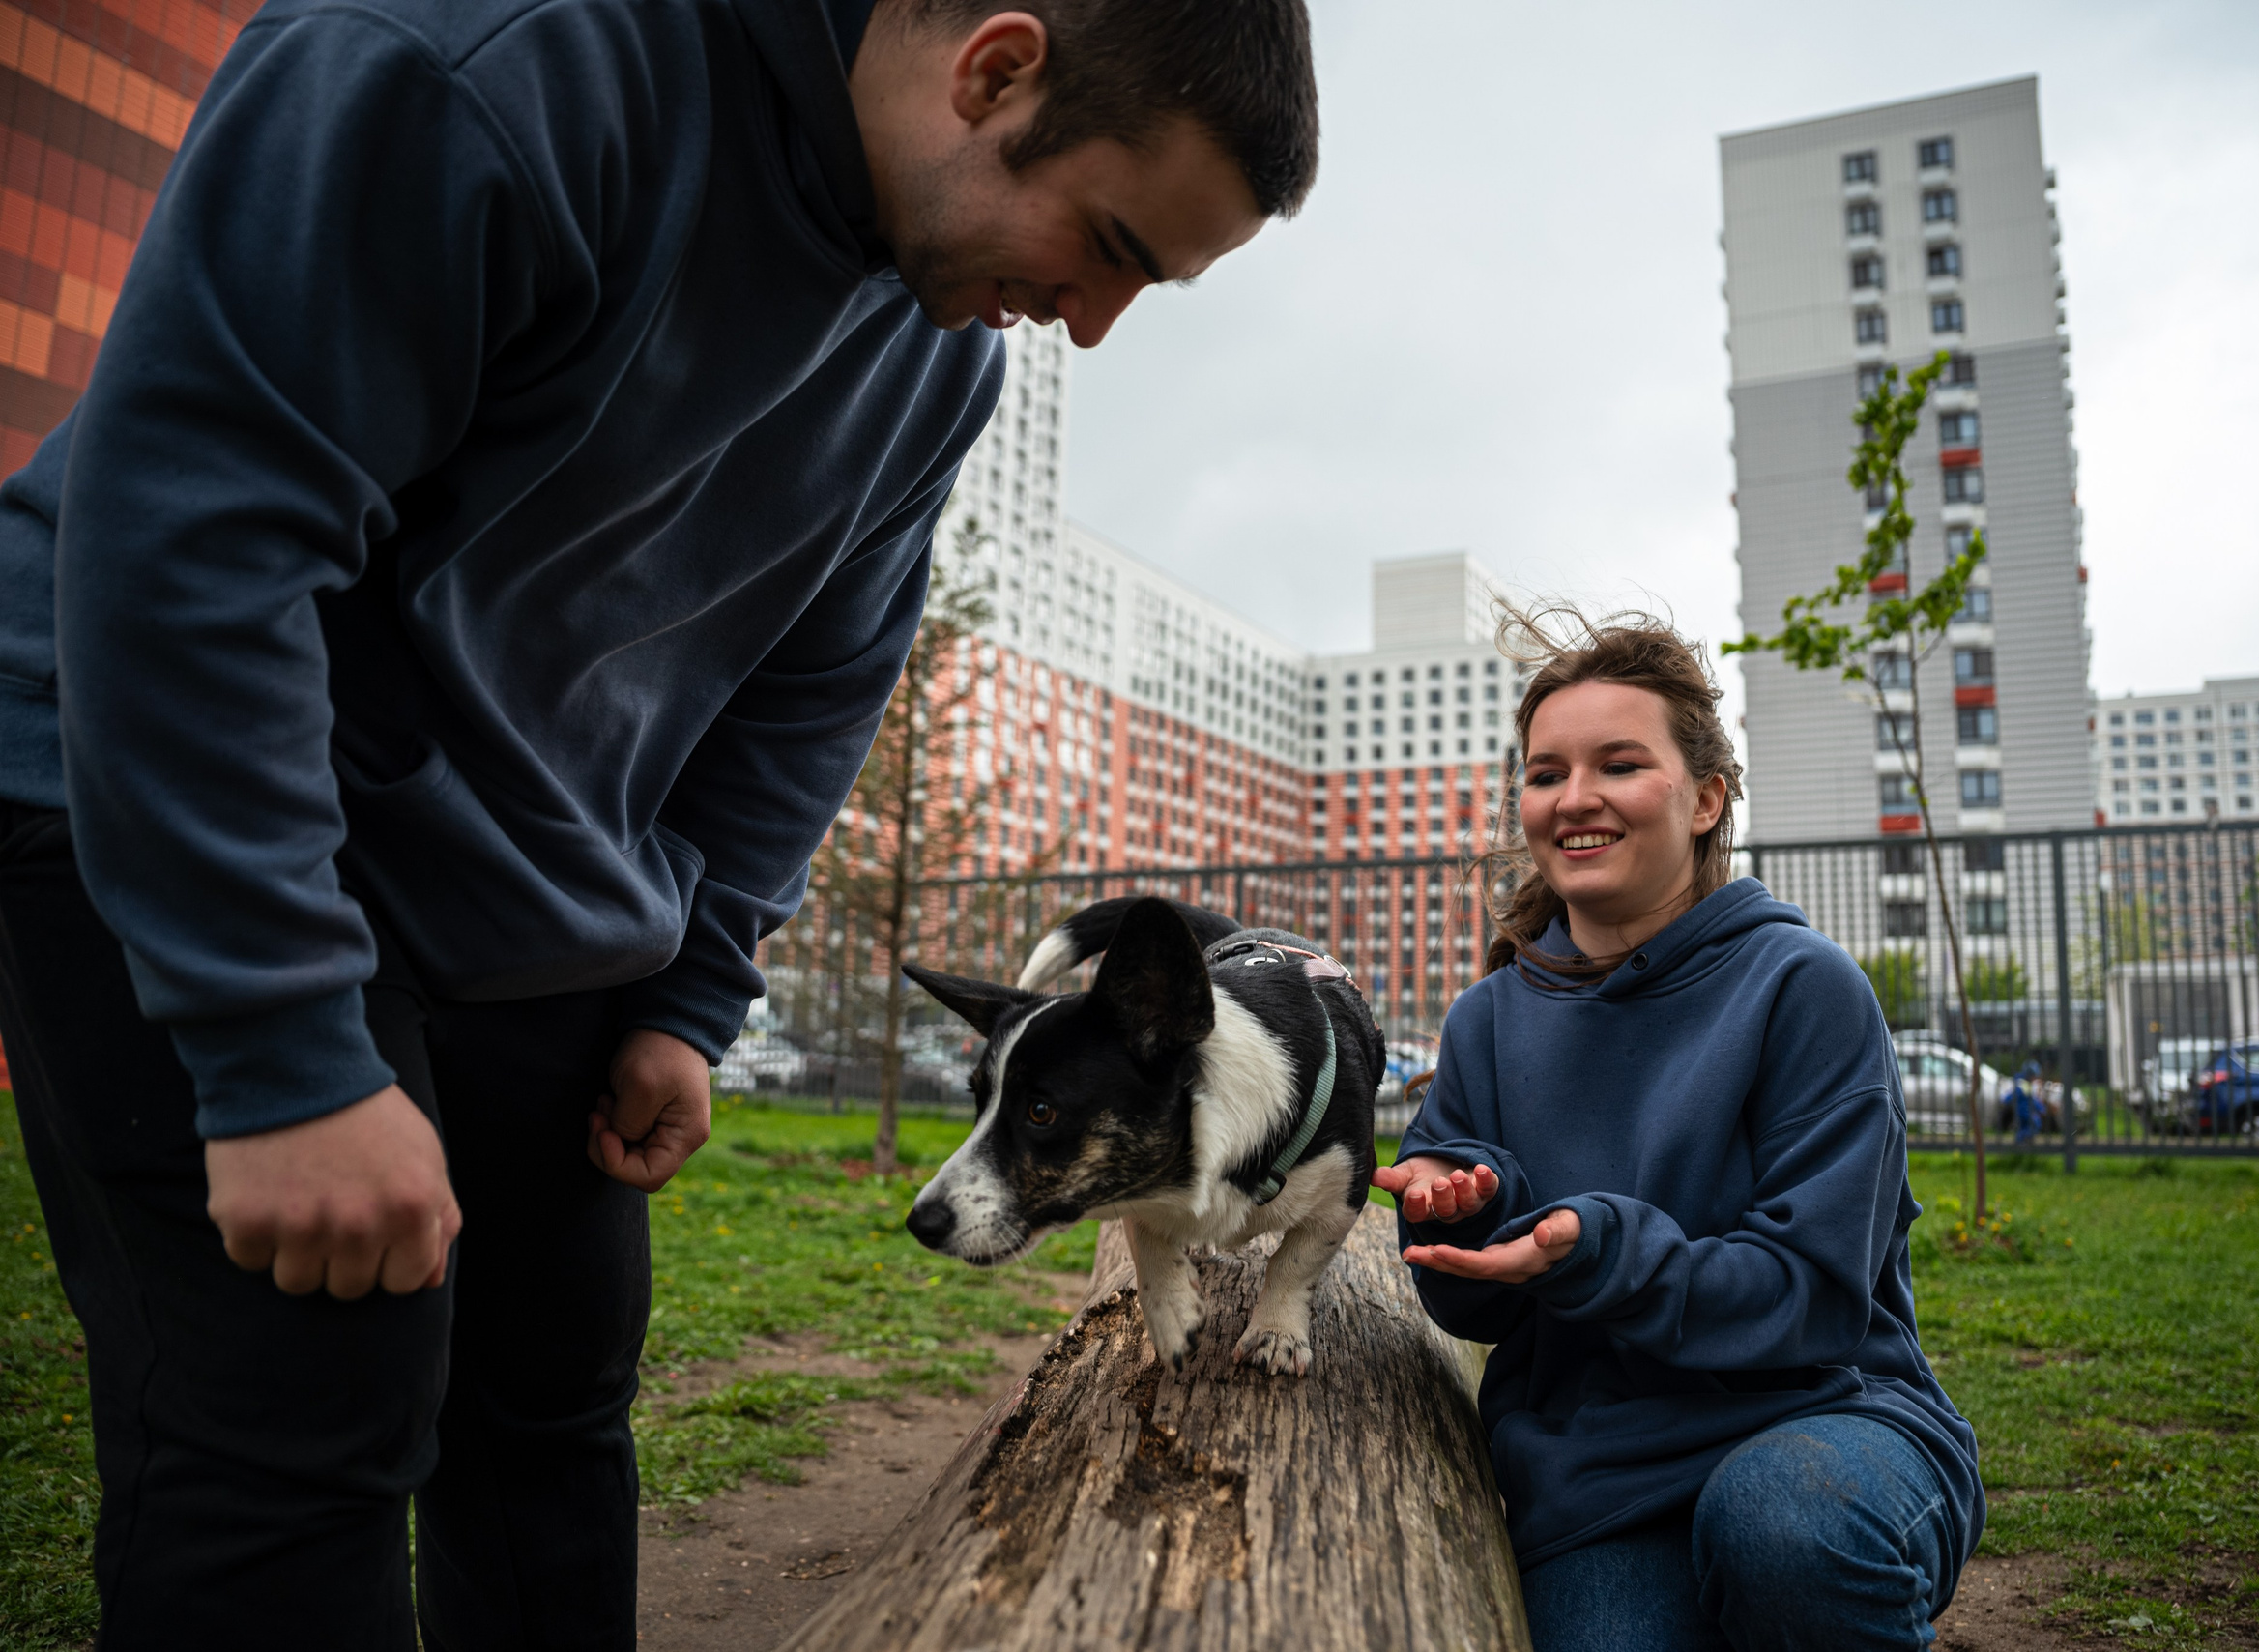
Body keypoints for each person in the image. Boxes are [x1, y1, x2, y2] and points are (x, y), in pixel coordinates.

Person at [0, 0, 1316, 1643]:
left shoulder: (936, 362)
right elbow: (199, 534)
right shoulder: (498, 64)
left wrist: (688, 995)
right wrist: (281, 1045)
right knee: (303, 1419)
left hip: (517, 861)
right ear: (994, 70)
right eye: (1108, 245)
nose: (1093, 325)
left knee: (552, 1391)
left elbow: (808, 692)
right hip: (173, 777)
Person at [1371, 608, 1983, 1652]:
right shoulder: (1487, 1019)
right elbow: (1473, 1305)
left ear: (1706, 798)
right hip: (1601, 1477)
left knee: (1780, 1526)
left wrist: (1596, 1248)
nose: (1575, 797)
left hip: (1827, 1420)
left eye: (1618, 764)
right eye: (1546, 772)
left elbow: (1811, 1294)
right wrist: (1461, 1215)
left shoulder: (1803, 987)